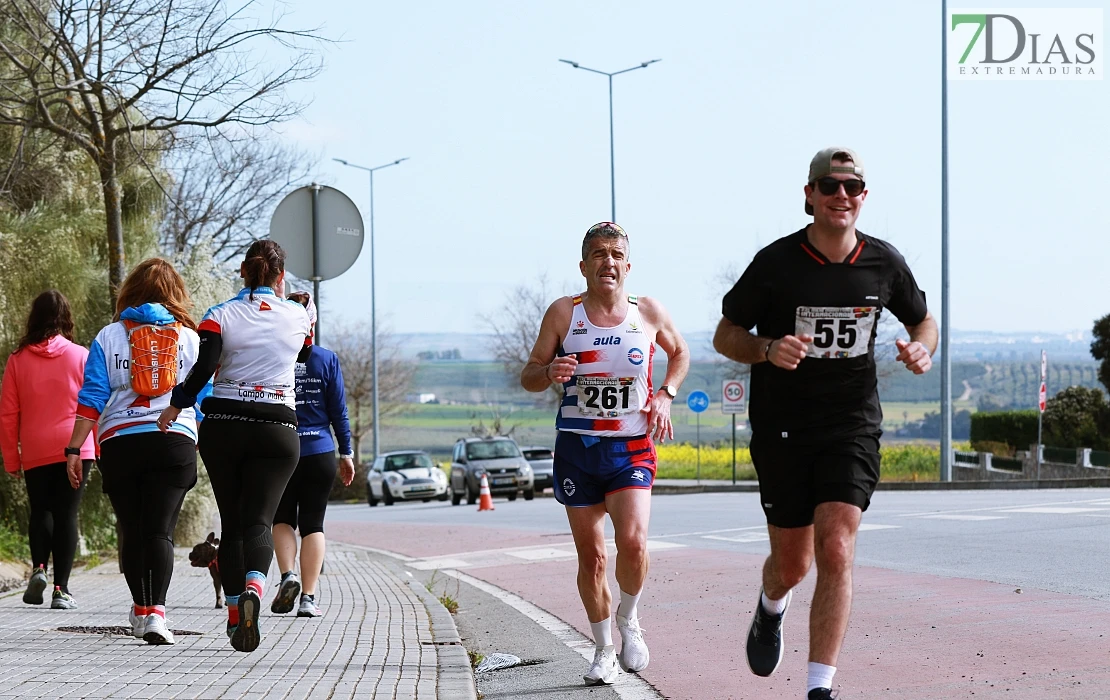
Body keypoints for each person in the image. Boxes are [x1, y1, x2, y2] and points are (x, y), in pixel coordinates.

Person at [712, 147, 937, 700]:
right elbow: (725, 335)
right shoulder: (776, 263)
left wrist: (922, 350)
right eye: (830, 187)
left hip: (851, 423)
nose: (842, 197)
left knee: (836, 547)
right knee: (793, 564)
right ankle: (771, 606)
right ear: (809, 195)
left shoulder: (883, 262)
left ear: (864, 197)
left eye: (852, 188)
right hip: (784, 427)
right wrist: (766, 348)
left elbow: (923, 320)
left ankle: (820, 688)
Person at [520, 222, 689, 686]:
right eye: (598, 254)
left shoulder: (648, 312)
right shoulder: (563, 314)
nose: (607, 262)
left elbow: (681, 354)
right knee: (592, 558)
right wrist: (549, 370)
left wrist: (666, 394)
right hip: (577, 448)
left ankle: (629, 616)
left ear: (628, 266)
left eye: (615, 254)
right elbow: (529, 374)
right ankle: (602, 649)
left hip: (631, 447)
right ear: (583, 265)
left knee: (633, 543)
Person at [158, 239, 309, 653]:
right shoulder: (299, 315)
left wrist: (176, 406)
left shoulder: (219, 316)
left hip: (224, 425)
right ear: (280, 276)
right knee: (260, 520)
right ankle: (256, 591)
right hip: (278, 427)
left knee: (233, 522)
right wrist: (296, 304)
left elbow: (204, 368)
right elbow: (306, 355)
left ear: (242, 271)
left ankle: (232, 617)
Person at [63, 258, 209, 644]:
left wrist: (74, 448)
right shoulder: (191, 339)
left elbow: (92, 396)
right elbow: (203, 402)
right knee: (160, 531)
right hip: (173, 440)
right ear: (176, 294)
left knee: (132, 529)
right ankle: (156, 614)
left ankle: (142, 610)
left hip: (121, 442)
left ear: (129, 292)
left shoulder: (109, 336)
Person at [0, 290, 95, 610]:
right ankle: (61, 589)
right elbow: (93, 404)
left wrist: (11, 458)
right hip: (76, 446)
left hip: (36, 446)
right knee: (68, 513)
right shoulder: (81, 355)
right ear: (65, 318)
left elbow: (8, 413)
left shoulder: (17, 359)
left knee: (41, 510)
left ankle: (39, 567)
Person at [269, 291, 355, 619]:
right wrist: (346, 453)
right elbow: (339, 412)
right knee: (313, 525)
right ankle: (307, 598)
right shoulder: (326, 359)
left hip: (281, 451)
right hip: (320, 451)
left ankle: (287, 574)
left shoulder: (273, 357)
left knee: (281, 519)